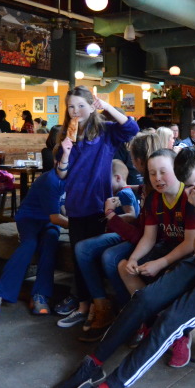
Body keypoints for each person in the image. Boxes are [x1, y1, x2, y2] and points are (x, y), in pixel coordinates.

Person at [53, 147, 195, 388]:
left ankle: (110, 387)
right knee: (143, 299)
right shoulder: (191, 195)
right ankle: (93, 363)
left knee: (169, 321)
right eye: (191, 184)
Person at [53, 86, 139, 329]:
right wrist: (65, 154)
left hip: (99, 206)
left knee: (92, 257)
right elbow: (61, 174)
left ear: (92, 107)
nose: (76, 111)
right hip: (75, 206)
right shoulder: (66, 136)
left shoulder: (105, 132)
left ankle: (97, 306)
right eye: (71, 107)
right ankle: (83, 306)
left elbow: (132, 128)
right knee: (79, 258)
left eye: (81, 105)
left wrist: (107, 106)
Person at [116, 148, 195, 355]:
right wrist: (134, 259)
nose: (157, 178)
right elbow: (149, 237)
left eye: (163, 171)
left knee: (169, 276)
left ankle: (181, 334)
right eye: (152, 173)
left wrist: (160, 263)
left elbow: (191, 243)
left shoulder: (189, 196)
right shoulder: (154, 199)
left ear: (177, 170)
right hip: (166, 247)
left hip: (191, 254)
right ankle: (151, 321)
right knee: (124, 267)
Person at [0, 169, 68, 318]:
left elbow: (62, 205)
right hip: (29, 218)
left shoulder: (77, 179)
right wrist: (75, 225)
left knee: (51, 240)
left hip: (50, 222)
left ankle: (40, 295)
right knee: (29, 244)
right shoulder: (50, 180)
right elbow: (56, 217)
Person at [75, 159, 140, 342]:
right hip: (119, 232)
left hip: (123, 234)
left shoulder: (124, 193)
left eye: (106, 180)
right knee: (85, 249)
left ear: (118, 178)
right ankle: (101, 305)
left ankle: (115, 309)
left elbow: (132, 215)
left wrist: (110, 214)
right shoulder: (122, 192)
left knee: (89, 250)